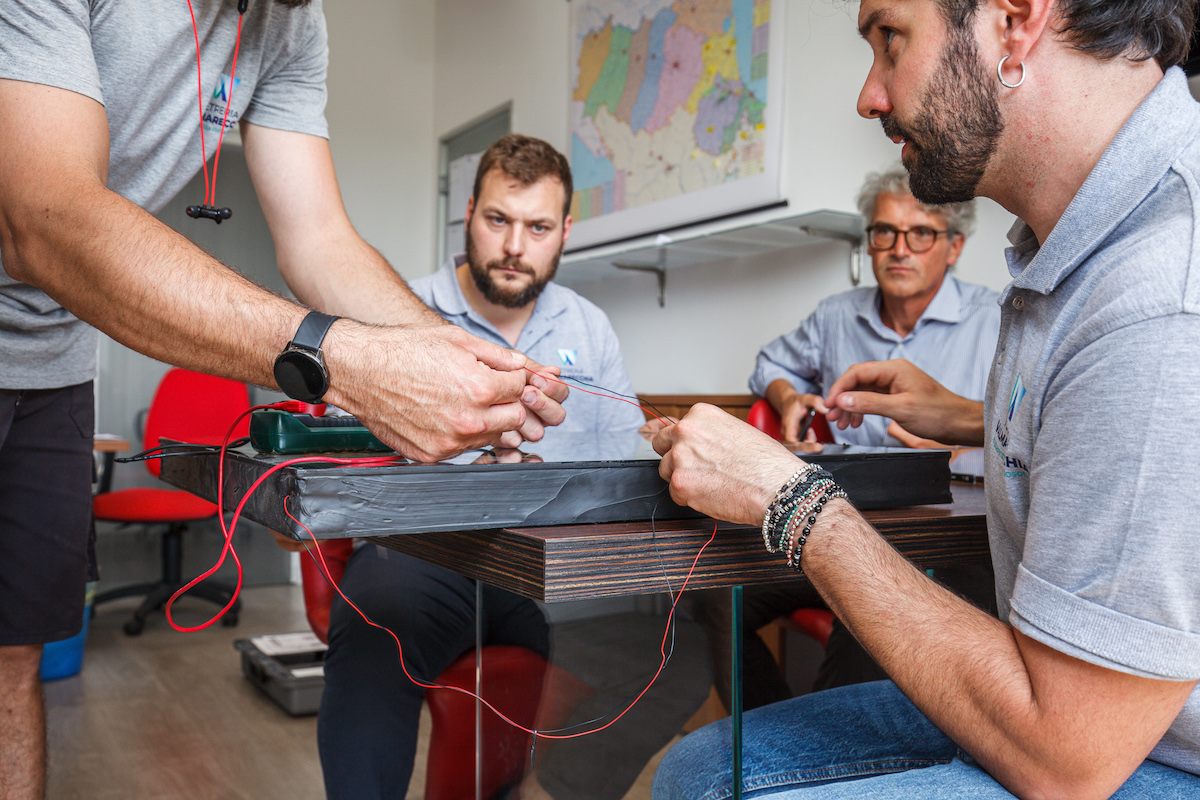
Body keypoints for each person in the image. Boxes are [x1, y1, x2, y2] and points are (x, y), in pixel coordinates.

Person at [0, 4, 566, 797]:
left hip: (52, 357)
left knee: (13, 658)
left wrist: (450, 350)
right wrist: (347, 362)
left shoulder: (295, 23)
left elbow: (318, 240)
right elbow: (44, 217)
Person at [652, 0, 1200, 797]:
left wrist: (795, 501)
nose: (869, 96)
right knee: (702, 767)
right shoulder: (1073, 246)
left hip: (1136, 748)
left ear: (1016, 20)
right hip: (1092, 708)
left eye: (889, 39)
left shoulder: (1161, 296)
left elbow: (1070, 759)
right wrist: (969, 417)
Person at [313, 134, 711, 800]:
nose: (514, 246)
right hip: (425, 555)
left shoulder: (590, 327)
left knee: (678, 659)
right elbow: (326, 438)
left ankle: (539, 795)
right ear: (468, 212)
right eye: (498, 220)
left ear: (565, 232)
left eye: (538, 227)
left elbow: (621, 458)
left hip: (548, 565)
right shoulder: (397, 307)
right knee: (375, 629)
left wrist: (667, 450)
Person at [691, 167, 1000, 712]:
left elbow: (1028, 428)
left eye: (920, 234)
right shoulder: (837, 315)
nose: (899, 250)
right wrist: (789, 398)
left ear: (954, 247)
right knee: (715, 593)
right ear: (869, 242)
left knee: (872, 628)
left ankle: (818, 769)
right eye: (884, 232)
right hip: (840, 520)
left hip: (949, 538)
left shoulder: (995, 320)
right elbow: (770, 364)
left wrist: (958, 451)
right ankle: (767, 739)